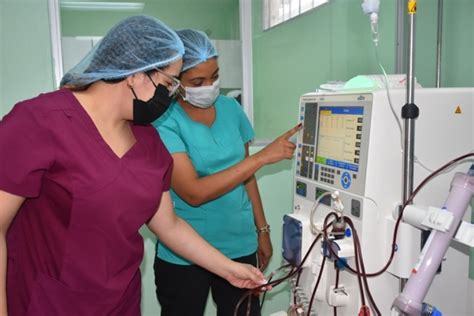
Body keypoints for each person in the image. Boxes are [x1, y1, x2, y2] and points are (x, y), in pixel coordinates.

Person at [0, 16, 267, 316]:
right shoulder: (38, 122)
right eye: (168, 83)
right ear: (135, 74)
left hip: (120, 302)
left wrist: (229, 269)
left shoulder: (148, 142)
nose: (171, 96)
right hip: (51, 302)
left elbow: (169, 225)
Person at [153, 29, 301, 316]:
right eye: (198, 81)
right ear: (174, 81)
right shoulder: (164, 121)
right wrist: (261, 158)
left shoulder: (231, 108)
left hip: (239, 244)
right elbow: (193, 192)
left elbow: (246, 177)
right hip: (185, 256)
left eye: (215, 77)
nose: (209, 86)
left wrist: (262, 229)